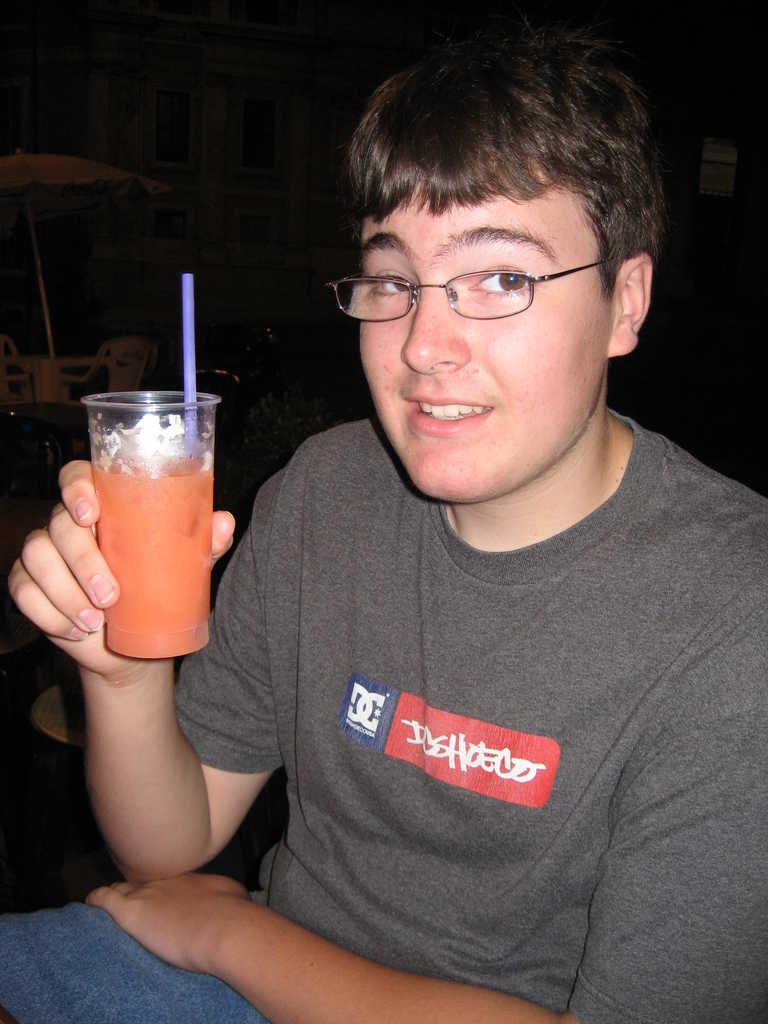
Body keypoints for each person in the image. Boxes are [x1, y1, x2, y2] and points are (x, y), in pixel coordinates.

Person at [2, 21, 768, 1024]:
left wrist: (231, 933)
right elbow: (172, 843)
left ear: (625, 302)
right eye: (394, 280)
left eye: (501, 278)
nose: (422, 345)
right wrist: (122, 673)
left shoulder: (736, 613)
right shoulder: (321, 496)